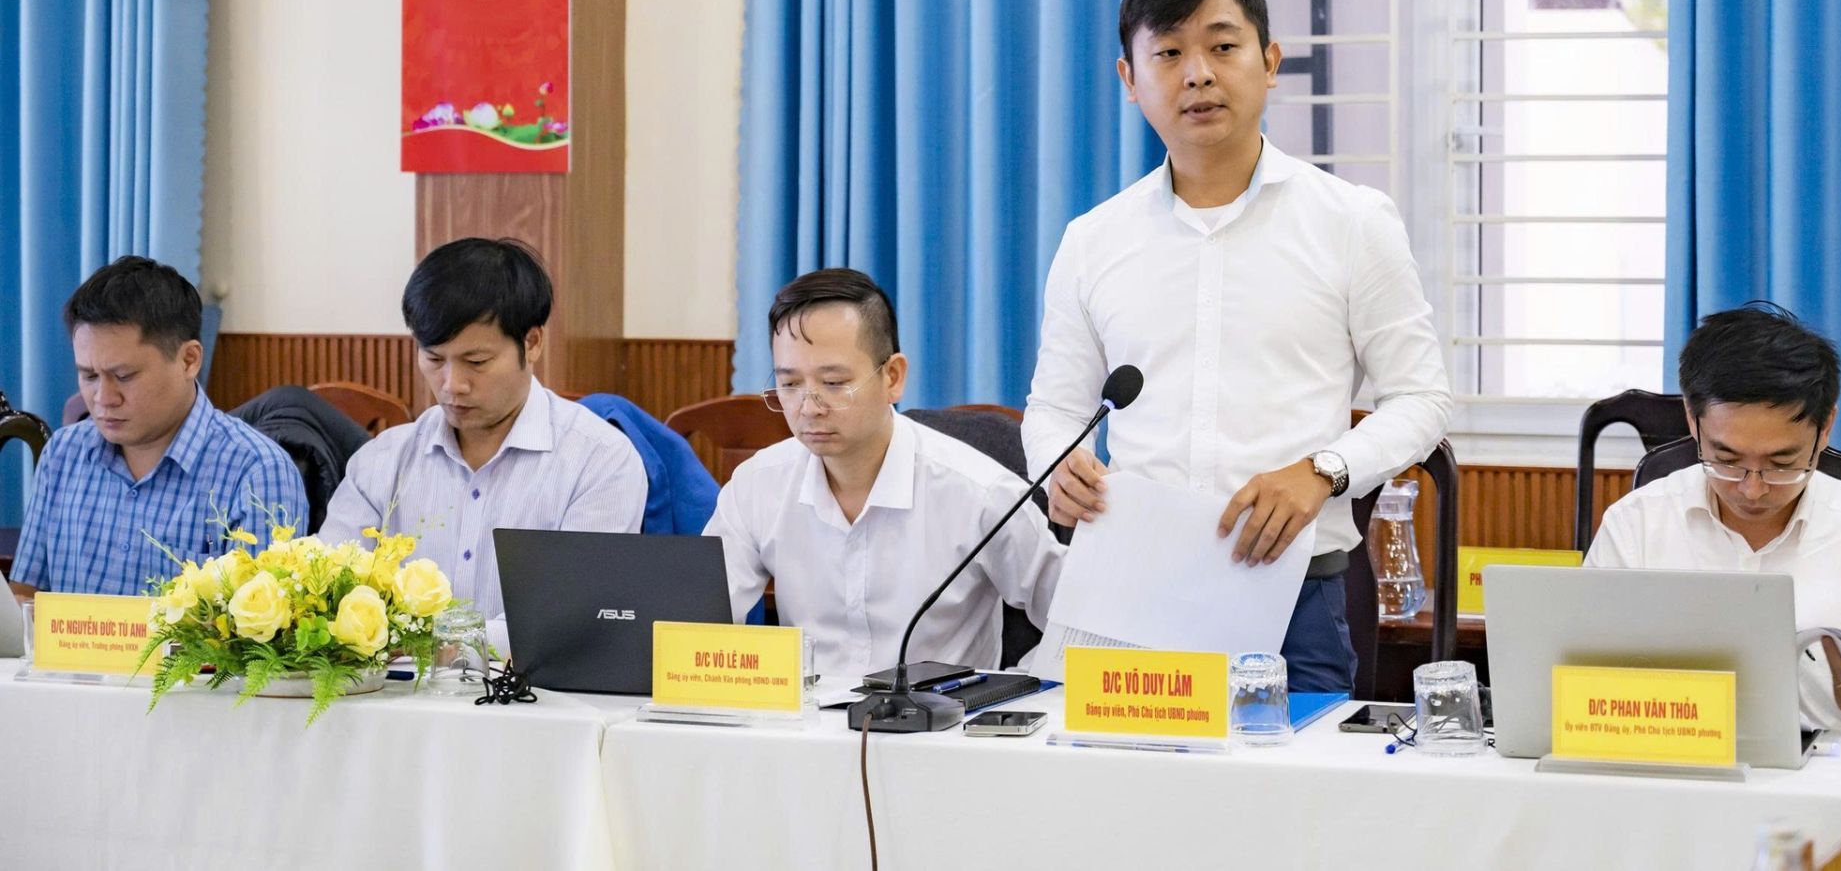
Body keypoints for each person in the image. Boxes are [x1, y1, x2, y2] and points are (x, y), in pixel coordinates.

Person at [1023, 0, 1452, 691]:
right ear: (1130, 80)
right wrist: (1056, 467)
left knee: (1291, 772)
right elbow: (1055, 408)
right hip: (1133, 585)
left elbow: (1423, 398)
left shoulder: (1352, 222)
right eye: (1168, 53)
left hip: (1292, 586)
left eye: (1223, 46)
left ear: (1270, 62)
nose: (1197, 74)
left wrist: (1323, 472)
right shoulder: (1093, 241)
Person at [705, 269, 1064, 675]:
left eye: (833, 383)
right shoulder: (757, 487)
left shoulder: (980, 494)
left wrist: (1012, 689)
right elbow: (694, 628)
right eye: (790, 384)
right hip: (805, 713)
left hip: (941, 713)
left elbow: (1077, 622)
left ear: (893, 377)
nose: (808, 408)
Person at [1587, 305, 1841, 732]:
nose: (1753, 489)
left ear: (1826, 427)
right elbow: (1580, 679)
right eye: (1726, 460)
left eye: (1782, 463)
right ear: (1693, 420)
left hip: (1834, 769)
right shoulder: (1635, 526)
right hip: (1666, 758)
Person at [319, 239, 648, 619]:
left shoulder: (599, 462)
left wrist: (438, 643)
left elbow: (568, 619)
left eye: (476, 361)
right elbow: (328, 596)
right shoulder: (381, 462)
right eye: (434, 358)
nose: (452, 384)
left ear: (532, 343)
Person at [11, 257, 307, 599]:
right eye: (89, 376)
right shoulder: (63, 454)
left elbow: (258, 628)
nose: (103, 398)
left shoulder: (257, 473)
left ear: (189, 360)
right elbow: (26, 599)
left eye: (124, 376)